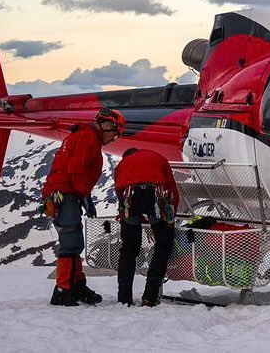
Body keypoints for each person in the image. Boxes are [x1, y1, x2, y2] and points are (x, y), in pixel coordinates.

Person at [42, 107, 125, 306]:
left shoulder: (83, 136)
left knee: (74, 241)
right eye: (114, 134)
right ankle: (63, 289)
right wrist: (84, 194)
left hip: (63, 194)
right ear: (106, 126)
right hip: (65, 195)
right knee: (71, 243)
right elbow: (76, 170)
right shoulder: (87, 139)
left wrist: (83, 195)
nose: (113, 139)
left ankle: (76, 284)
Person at [114, 146, 180, 307]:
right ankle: (149, 297)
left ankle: (124, 298)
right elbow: (171, 187)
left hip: (130, 197)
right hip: (155, 196)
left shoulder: (122, 164)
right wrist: (169, 219)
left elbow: (119, 190)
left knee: (129, 248)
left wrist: (126, 214)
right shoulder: (157, 156)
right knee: (163, 245)